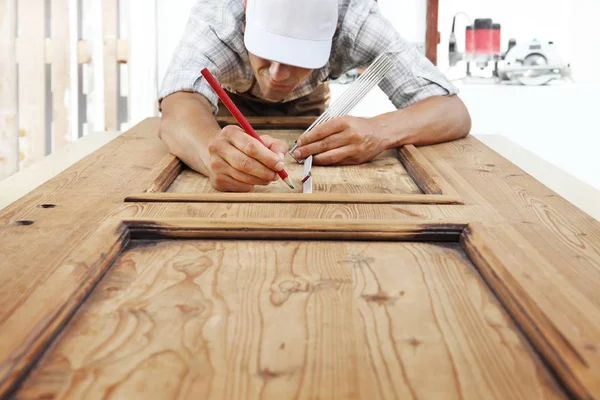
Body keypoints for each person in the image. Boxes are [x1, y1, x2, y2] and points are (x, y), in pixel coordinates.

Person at [158, 0, 471, 192]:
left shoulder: (357, 17)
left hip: (310, 108)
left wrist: (380, 131)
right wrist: (208, 151)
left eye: (297, 57)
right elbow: (178, 106)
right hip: (223, 114)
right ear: (245, 10)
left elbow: (452, 110)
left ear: (334, 28)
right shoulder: (218, 17)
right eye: (266, 52)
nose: (278, 75)